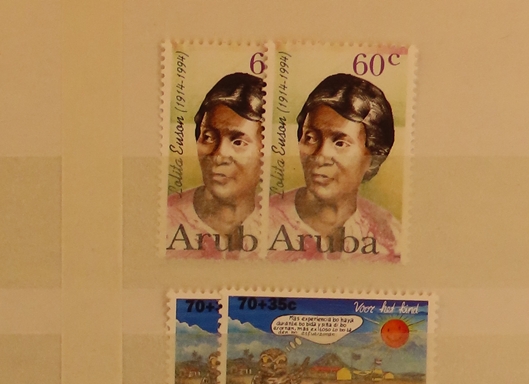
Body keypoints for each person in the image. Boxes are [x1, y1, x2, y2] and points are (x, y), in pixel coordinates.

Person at [269, 73, 400, 259]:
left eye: (340, 143)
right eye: (310, 138)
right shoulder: (260, 221)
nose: (320, 156)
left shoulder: (391, 237)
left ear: (373, 159)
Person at [166, 72, 265, 254]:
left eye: (238, 142)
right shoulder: (167, 216)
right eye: (209, 137)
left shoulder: (280, 220)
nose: (218, 155)